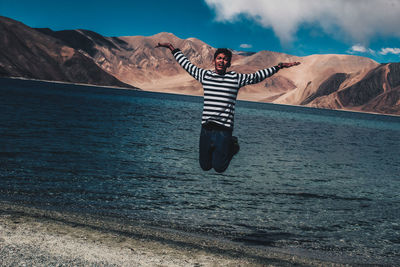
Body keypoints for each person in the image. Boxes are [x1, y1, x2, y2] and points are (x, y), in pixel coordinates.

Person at [156, 42, 300, 173]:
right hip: (206, 128)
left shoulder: (235, 78)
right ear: (214, 61)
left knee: (219, 168)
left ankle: (232, 146)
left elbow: (257, 76)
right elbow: (187, 65)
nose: (221, 61)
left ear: (229, 63)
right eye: (219, 58)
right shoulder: (204, 75)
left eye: (225, 59)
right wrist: (171, 48)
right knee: (205, 166)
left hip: (224, 130)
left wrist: (279, 66)